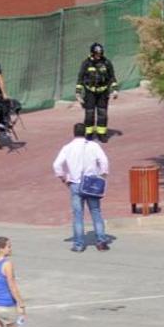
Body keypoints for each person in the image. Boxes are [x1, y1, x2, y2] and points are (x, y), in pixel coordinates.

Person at [52, 123, 110, 252]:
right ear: (85, 132)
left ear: (74, 133)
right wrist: (102, 175)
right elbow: (104, 161)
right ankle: (101, 242)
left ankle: (78, 244)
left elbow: (57, 165)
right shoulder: (94, 146)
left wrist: (64, 178)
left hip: (75, 183)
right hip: (91, 183)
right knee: (96, 212)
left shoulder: (67, 148)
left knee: (78, 215)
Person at [75, 42, 117, 142]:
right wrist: (78, 93)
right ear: (92, 53)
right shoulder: (86, 63)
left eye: (100, 54)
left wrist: (115, 90)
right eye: (97, 54)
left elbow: (112, 77)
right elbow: (80, 78)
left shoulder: (106, 63)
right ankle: (89, 133)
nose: (99, 56)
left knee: (102, 113)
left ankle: (101, 134)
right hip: (90, 93)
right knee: (89, 113)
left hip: (103, 92)